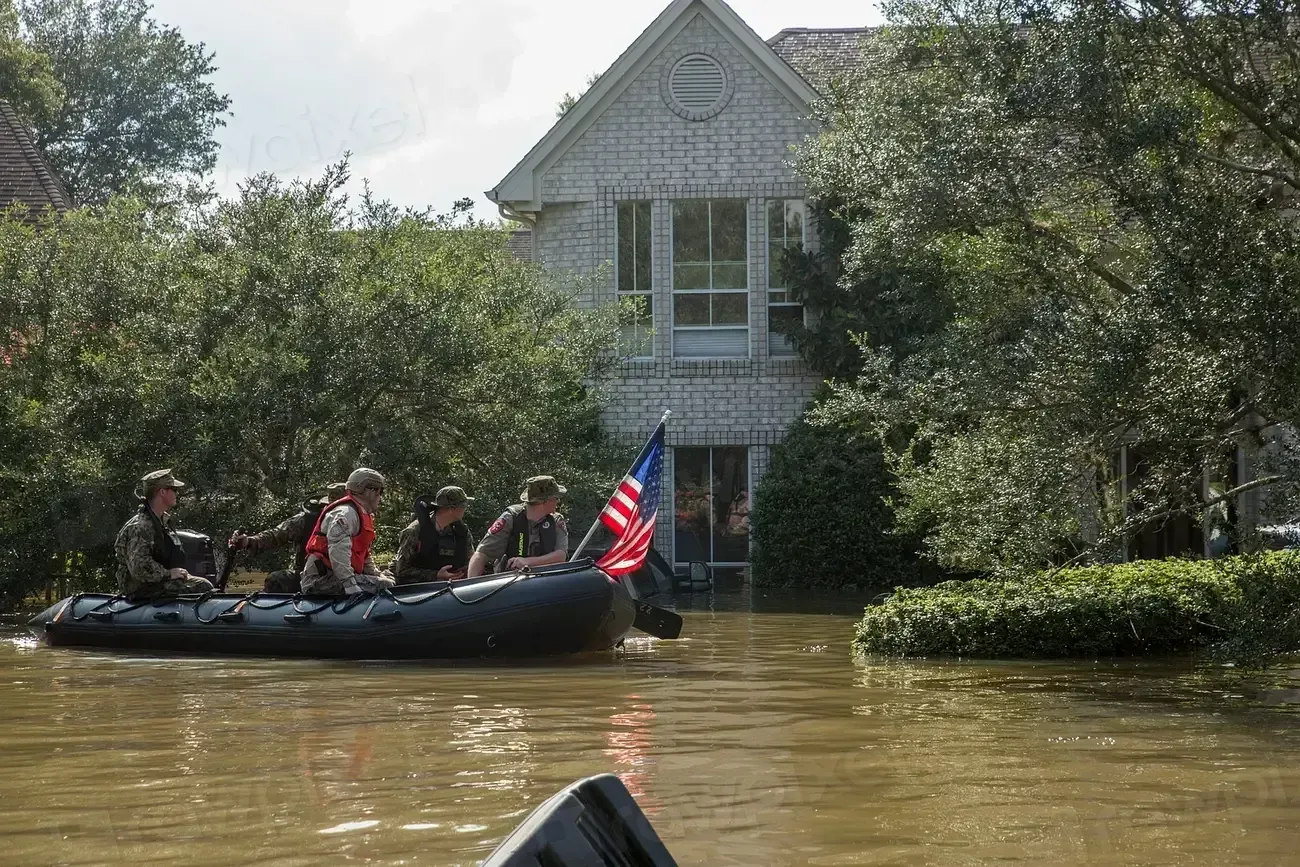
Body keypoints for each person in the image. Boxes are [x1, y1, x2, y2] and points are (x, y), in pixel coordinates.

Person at [228, 482, 346, 593]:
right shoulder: (306, 520)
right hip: (307, 577)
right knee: (276, 580)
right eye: (329, 508)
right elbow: (277, 534)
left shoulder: (358, 523)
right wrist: (249, 541)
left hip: (344, 578)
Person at [114, 469, 214, 598]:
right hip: (141, 587)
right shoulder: (140, 527)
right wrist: (168, 573)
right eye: (174, 490)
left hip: (159, 581)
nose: (177, 493)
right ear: (162, 492)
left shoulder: (163, 521)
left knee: (204, 584)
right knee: (202, 587)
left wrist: (177, 573)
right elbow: (140, 568)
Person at [299, 468, 396, 595]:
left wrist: (376, 574)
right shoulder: (346, 514)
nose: (380, 497)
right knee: (385, 585)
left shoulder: (360, 513)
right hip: (320, 580)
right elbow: (338, 551)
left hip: (334, 577)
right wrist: (350, 584)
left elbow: (363, 554)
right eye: (380, 491)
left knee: (387, 581)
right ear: (368, 491)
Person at [467, 476, 569, 577]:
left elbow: (560, 556)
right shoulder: (510, 518)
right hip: (509, 583)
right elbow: (481, 554)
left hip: (544, 581)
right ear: (544, 502)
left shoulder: (556, 520)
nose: (558, 501)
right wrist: (470, 587)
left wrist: (527, 562)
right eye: (556, 498)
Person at [393, 486, 477, 584]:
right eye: (464, 505)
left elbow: (471, 559)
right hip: (413, 589)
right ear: (452, 508)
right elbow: (401, 571)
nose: (465, 508)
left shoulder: (461, 531)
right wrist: (436, 575)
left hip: (449, 586)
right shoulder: (415, 531)